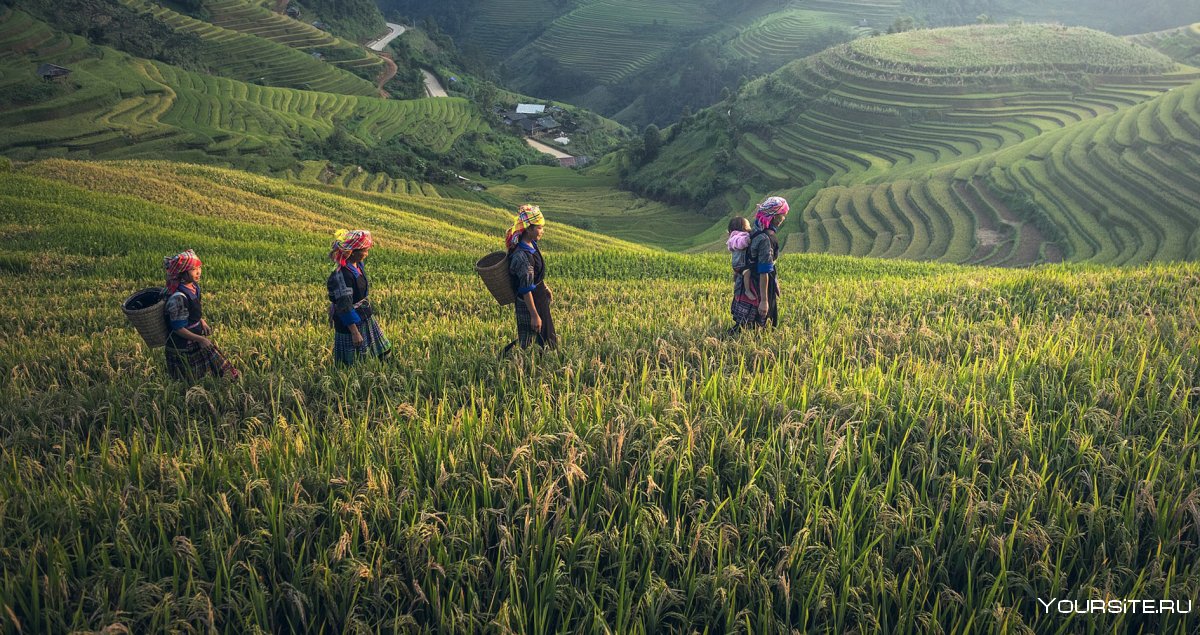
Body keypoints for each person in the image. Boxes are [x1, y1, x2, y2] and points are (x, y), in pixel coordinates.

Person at [161, 249, 240, 383]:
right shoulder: (178, 298)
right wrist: (201, 339)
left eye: (199, 267)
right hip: (182, 345)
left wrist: (202, 322)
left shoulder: (194, 287)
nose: (198, 272)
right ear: (182, 273)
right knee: (187, 380)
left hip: (195, 337)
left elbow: (192, 312)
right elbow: (178, 328)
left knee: (211, 371)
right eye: (193, 269)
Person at [327, 229, 392, 365]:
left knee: (384, 352)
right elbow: (344, 306)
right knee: (350, 361)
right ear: (353, 252)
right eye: (365, 251)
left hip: (365, 315)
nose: (367, 254)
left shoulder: (357, 265)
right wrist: (355, 332)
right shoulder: (341, 275)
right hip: (349, 322)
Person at [504, 205, 556, 353]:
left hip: (538, 297)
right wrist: (534, 315)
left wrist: (544, 287)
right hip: (529, 302)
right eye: (539, 228)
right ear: (529, 229)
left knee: (547, 338)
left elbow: (535, 275)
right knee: (529, 341)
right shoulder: (522, 256)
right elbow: (526, 289)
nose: (542, 231)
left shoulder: (532, 244)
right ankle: (515, 363)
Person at [745, 196, 790, 329]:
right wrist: (764, 301)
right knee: (764, 322)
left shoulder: (757, 231)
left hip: (755, 280)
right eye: (782, 215)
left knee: (752, 322)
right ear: (774, 217)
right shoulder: (766, 239)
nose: (783, 219)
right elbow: (764, 270)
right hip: (761, 283)